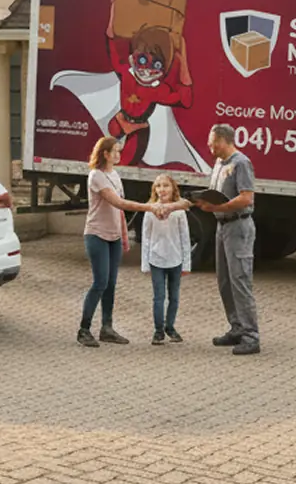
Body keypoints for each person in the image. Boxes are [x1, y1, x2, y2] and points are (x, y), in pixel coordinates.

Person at [78, 135, 164, 347]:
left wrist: (124, 237)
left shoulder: (115, 175)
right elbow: (118, 202)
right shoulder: (96, 176)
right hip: (96, 235)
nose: (119, 154)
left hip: (114, 237)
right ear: (105, 154)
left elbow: (119, 213)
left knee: (111, 284)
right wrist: (150, 207)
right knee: (100, 283)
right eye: (116, 151)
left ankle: (107, 328)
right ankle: (84, 329)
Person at [189, 124, 260, 356]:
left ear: (224, 141)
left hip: (238, 226)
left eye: (212, 143)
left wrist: (218, 206)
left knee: (240, 280)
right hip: (222, 226)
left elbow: (246, 197)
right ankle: (236, 327)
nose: (210, 148)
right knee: (224, 281)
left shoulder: (241, 163)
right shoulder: (219, 164)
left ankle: (251, 336)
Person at [140, 173, 191, 344]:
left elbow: (185, 237)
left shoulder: (179, 211)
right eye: (158, 186)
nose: (162, 189)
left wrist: (186, 263)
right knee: (159, 296)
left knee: (174, 296)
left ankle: (170, 326)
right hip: (156, 260)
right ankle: (158, 330)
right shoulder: (150, 210)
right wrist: (145, 263)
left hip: (175, 259)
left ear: (173, 189)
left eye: (166, 185)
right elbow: (146, 237)